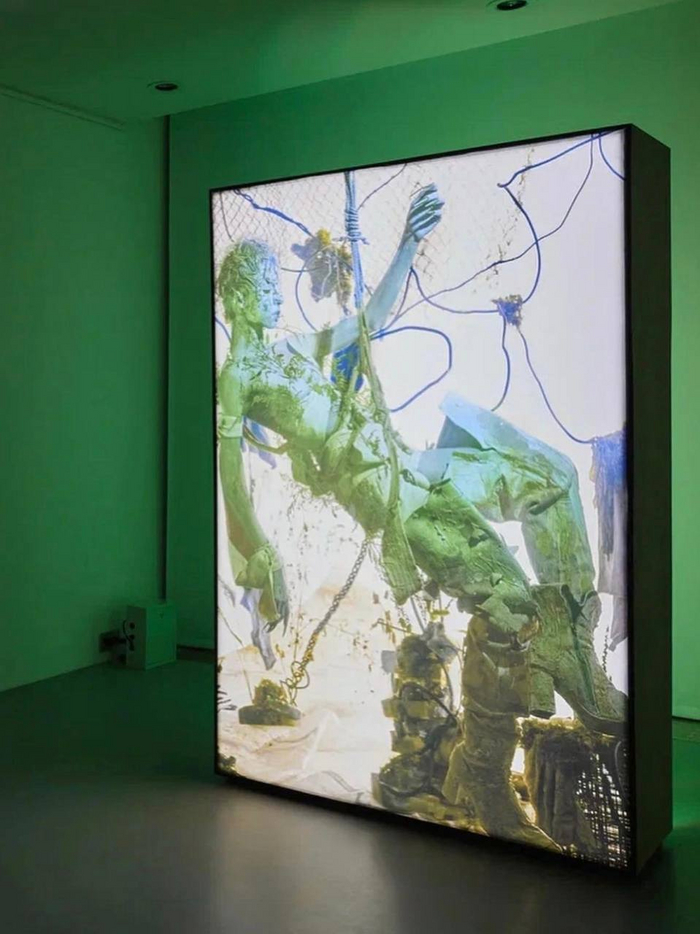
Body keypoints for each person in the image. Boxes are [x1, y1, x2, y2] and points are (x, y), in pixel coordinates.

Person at [216, 184, 626, 851]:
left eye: (271, 282)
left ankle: (572, 649)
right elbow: (231, 467)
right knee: (509, 607)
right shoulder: (238, 377)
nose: (272, 294)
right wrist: (257, 545)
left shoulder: (293, 349)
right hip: (383, 493)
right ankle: (483, 776)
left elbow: (369, 319)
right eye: (260, 285)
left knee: (550, 476)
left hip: (411, 463)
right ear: (234, 298)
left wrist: (408, 241)